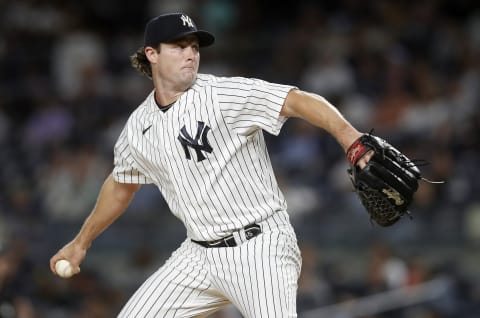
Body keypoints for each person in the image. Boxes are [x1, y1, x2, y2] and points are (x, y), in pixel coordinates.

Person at [50, 12, 370, 317]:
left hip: (259, 247)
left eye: (194, 46)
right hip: (197, 254)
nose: (190, 53)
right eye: (179, 46)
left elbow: (296, 100)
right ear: (152, 54)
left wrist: (350, 137)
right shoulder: (138, 125)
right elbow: (121, 185)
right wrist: (81, 243)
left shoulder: (221, 94)